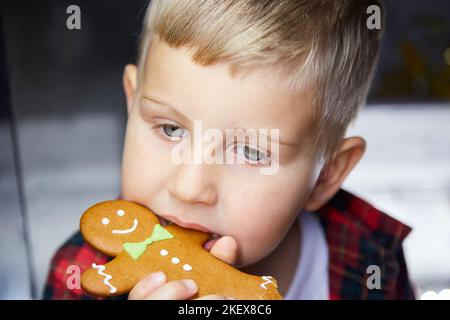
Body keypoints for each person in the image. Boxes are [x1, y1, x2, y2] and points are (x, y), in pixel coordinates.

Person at [44, 0, 415, 300]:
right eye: (171, 129)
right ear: (132, 102)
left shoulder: (373, 260)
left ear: (326, 175)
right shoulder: (78, 277)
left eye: (251, 153)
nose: (188, 188)